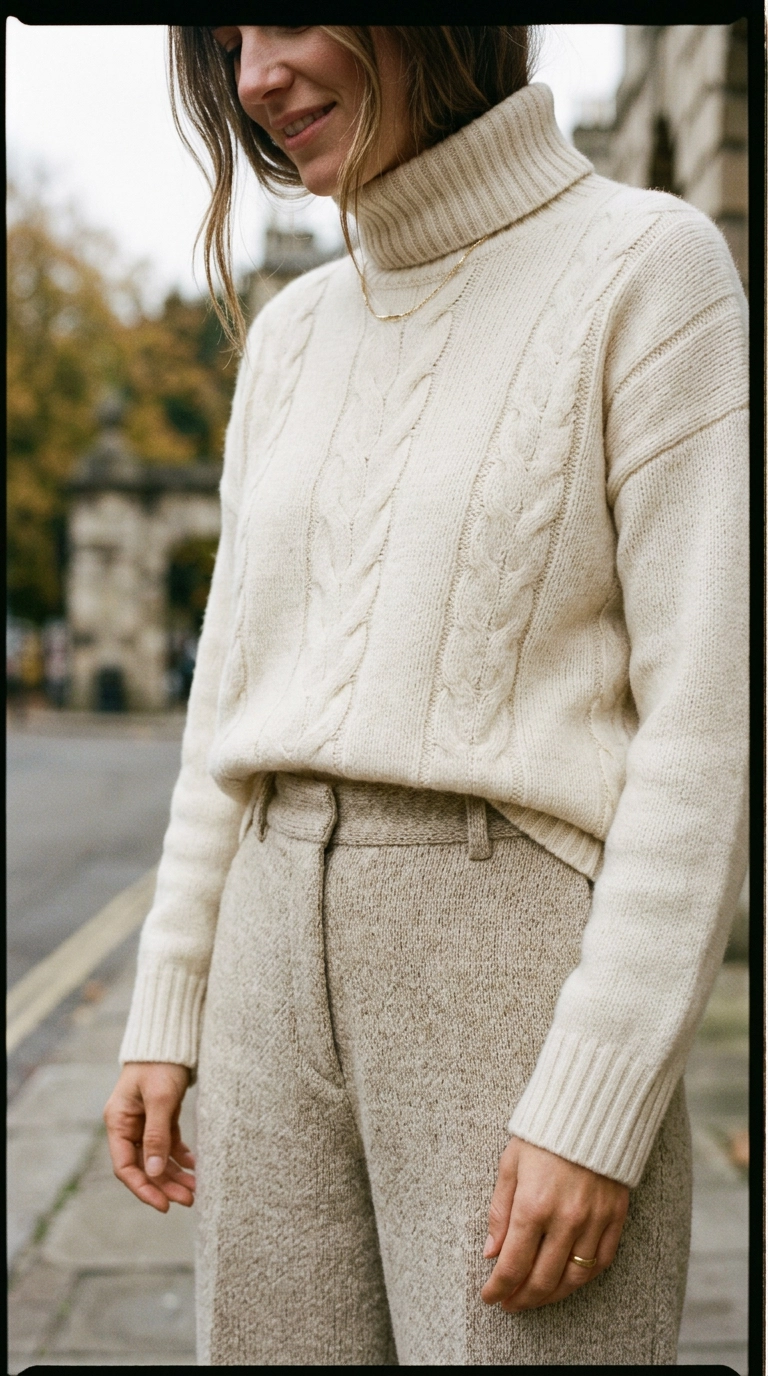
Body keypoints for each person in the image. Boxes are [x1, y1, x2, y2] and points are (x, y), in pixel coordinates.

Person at [104, 26, 748, 1366]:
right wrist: (172, 1000)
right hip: (267, 965)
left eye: (284, 18)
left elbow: (710, 728)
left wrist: (600, 1089)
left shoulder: (651, 269)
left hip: (506, 963)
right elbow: (227, 705)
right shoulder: (286, 339)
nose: (256, 78)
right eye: (226, 45)